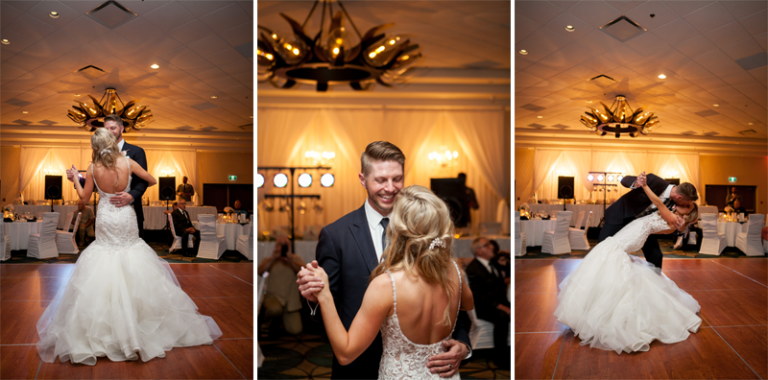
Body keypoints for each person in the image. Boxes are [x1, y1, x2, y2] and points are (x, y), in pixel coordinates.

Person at [38, 128, 222, 366]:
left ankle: (106, 330)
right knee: (132, 254)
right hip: (125, 214)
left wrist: (75, 178)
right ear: (112, 142)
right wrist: (131, 195)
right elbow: (153, 180)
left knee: (105, 256)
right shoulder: (128, 162)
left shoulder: (92, 168)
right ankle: (140, 323)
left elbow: (83, 199)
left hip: (106, 214)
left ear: (95, 147)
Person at [296, 142, 473, 379]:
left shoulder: (424, 231)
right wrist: (315, 296)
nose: (390, 188)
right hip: (358, 366)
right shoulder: (336, 235)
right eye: (381, 180)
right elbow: (327, 311)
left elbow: (456, 305)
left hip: (431, 365)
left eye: (397, 179)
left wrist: (462, 342)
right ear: (363, 179)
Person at [555, 175, 700, 354]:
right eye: (685, 203)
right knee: (604, 255)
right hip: (626, 221)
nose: (683, 205)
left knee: (613, 255)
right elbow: (628, 181)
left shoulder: (673, 215)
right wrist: (640, 183)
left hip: (638, 232)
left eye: (687, 207)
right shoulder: (662, 192)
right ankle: (595, 300)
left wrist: (679, 224)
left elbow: (659, 207)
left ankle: (639, 299)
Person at [66, 115, 148, 239]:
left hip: (130, 212)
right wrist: (77, 180)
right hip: (106, 214)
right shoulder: (99, 153)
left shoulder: (137, 152)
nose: (109, 132)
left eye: (113, 128)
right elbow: (99, 182)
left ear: (122, 128)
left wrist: (131, 196)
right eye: (106, 129)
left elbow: (143, 181)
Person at [598, 171, 698, 270]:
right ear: (679, 197)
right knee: (602, 250)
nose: (684, 205)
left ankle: (655, 283)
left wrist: (681, 229)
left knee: (656, 256)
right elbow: (625, 179)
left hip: (642, 227)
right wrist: (636, 183)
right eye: (686, 203)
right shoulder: (654, 180)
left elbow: (673, 225)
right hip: (620, 216)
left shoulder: (674, 204)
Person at [465, 237, 511, 369]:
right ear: (479, 251)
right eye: (487, 245)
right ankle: (500, 359)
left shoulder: (491, 264)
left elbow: (499, 286)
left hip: (495, 302)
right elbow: (478, 296)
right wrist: (504, 308)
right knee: (501, 317)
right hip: (482, 307)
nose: (492, 247)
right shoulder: (474, 268)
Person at [257, 236, 305, 336]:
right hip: (273, 298)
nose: (281, 247)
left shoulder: (296, 259)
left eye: (284, 245)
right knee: (275, 309)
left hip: (291, 301)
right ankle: (265, 326)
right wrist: (273, 259)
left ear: (288, 246)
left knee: (296, 330)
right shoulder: (269, 260)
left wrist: (290, 261)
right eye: (279, 244)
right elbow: (259, 271)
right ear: (275, 246)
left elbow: (303, 272)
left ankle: (280, 321)